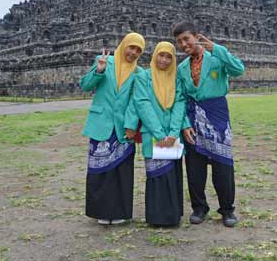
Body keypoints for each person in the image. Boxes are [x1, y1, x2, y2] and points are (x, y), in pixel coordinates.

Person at [173, 21, 245, 228]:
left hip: (217, 115)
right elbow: (180, 97)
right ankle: (199, 207)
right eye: (179, 42)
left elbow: (238, 69)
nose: (184, 44)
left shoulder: (216, 58)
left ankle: (227, 209)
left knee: (223, 165)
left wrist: (218, 49)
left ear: (197, 36)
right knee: (195, 167)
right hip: (192, 115)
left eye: (186, 39)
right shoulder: (182, 68)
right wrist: (184, 124)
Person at [79, 32, 145, 225]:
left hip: (124, 126)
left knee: (121, 170)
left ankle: (119, 211)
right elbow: (85, 85)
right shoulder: (104, 62)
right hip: (101, 123)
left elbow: (136, 102)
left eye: (138, 50)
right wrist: (98, 71)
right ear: (123, 45)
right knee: (99, 169)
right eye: (131, 47)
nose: (133, 52)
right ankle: (100, 211)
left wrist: (132, 125)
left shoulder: (138, 73)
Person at [128, 42, 185, 226]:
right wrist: (160, 134)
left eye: (169, 57)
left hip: (172, 134)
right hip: (153, 133)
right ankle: (157, 217)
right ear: (154, 56)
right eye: (161, 55)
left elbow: (180, 104)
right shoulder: (143, 77)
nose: (164, 60)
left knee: (172, 174)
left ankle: (173, 216)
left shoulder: (176, 79)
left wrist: (174, 132)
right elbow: (142, 104)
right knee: (157, 175)